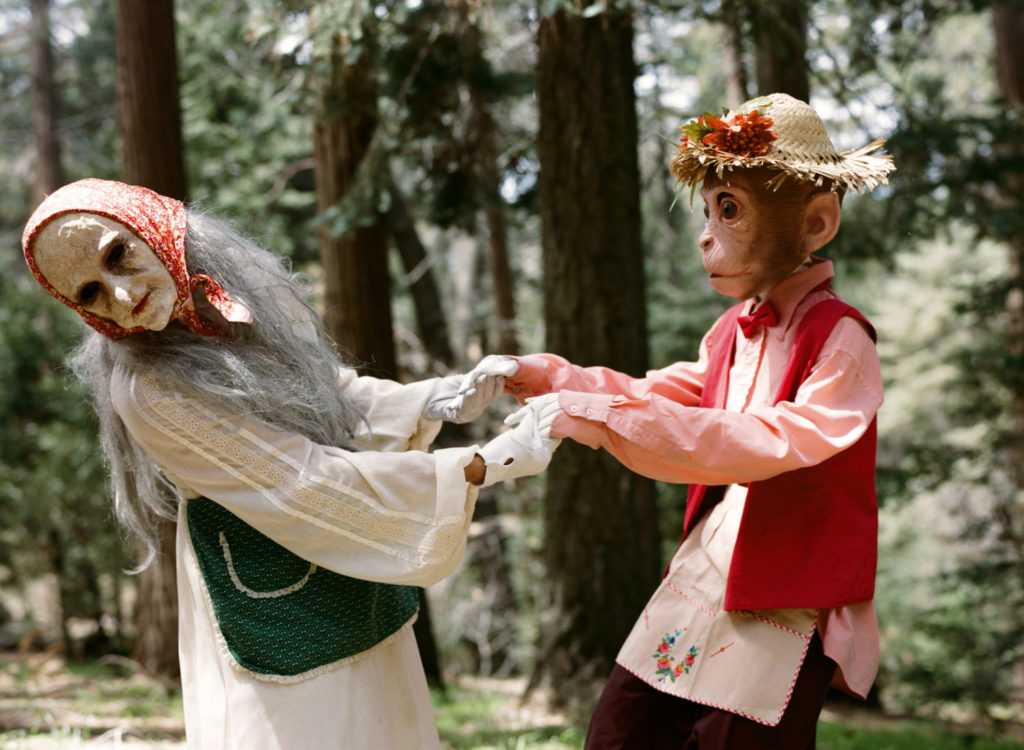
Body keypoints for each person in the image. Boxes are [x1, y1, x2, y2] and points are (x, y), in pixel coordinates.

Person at [21, 177, 559, 750]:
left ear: (152, 225)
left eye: (118, 254)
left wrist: (438, 398)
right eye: (90, 294)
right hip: (259, 580)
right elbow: (300, 484)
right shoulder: (148, 389)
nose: (123, 297)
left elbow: (326, 397)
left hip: (345, 550)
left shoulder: (237, 299)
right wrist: (483, 464)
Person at [454, 93, 895, 749]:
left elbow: (774, 441)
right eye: (710, 207)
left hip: (783, 595)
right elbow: (655, 395)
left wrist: (596, 413)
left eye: (731, 209)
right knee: (619, 732)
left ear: (817, 223)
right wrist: (548, 377)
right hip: (701, 579)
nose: (706, 232)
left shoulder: (842, 340)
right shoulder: (731, 334)